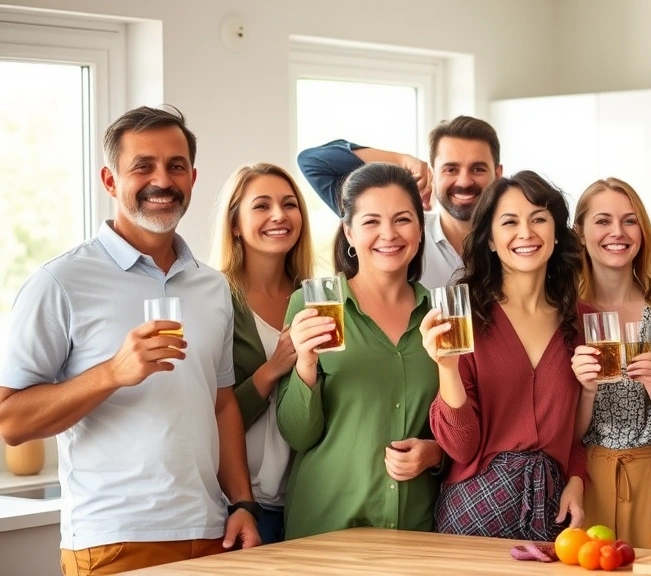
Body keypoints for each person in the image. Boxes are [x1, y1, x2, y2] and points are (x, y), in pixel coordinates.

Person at [0, 106, 259, 575]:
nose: (162, 179)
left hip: (210, 532)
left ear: (193, 178)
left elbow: (220, 403)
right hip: (114, 540)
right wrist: (112, 373)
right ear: (109, 179)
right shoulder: (59, 283)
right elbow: (10, 421)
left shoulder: (212, 286)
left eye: (175, 166)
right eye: (143, 166)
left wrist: (242, 502)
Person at [277, 162, 443, 539]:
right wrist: (305, 361)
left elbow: (461, 422)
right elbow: (297, 435)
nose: (388, 234)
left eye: (403, 219)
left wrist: (435, 454)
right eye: (371, 222)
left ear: (419, 230)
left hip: (413, 529)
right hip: (326, 527)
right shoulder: (312, 305)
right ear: (349, 232)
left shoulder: (439, 315)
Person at [422, 171, 588, 541]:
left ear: (556, 232)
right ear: (491, 241)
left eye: (539, 218)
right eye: (509, 222)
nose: (526, 233)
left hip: (552, 508)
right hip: (475, 510)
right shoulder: (461, 318)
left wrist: (577, 479)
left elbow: (583, 428)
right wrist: (446, 367)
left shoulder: (584, 322)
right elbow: (461, 448)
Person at [568, 177, 651, 546]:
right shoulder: (562, 315)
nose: (617, 232)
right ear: (581, 234)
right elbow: (563, 435)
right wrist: (586, 392)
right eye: (602, 221)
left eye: (630, 220)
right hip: (585, 480)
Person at [210, 163, 316, 544]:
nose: (279, 215)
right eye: (262, 206)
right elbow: (209, 412)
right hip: (241, 505)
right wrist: (272, 369)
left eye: (290, 205)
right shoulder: (214, 296)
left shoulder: (319, 297)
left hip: (309, 499)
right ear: (235, 223)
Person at [296, 116, 503, 289]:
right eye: (451, 169)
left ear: (498, 174)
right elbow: (313, 162)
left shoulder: (515, 241)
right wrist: (401, 160)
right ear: (432, 174)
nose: (465, 181)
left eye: (478, 169)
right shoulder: (402, 236)